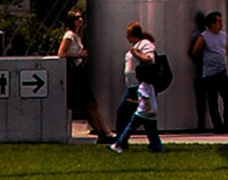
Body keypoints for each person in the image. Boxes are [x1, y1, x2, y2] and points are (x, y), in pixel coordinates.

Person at [58, 10, 115, 143]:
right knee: (90, 103)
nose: (80, 20)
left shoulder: (77, 36)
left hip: (79, 71)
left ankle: (105, 132)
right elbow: (61, 53)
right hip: (75, 73)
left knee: (91, 104)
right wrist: (80, 55)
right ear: (71, 20)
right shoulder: (69, 36)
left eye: (81, 17)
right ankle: (104, 133)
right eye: (77, 18)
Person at [191, 12, 228, 133]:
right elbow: (194, 52)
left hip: (221, 70)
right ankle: (217, 126)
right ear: (211, 24)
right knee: (212, 100)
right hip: (210, 73)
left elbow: (226, 50)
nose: (221, 24)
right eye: (218, 22)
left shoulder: (223, 35)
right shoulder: (204, 36)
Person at [108, 61, 164, 153]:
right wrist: (150, 108)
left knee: (129, 128)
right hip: (150, 113)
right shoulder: (150, 86)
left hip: (141, 113)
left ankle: (119, 144)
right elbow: (146, 99)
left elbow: (145, 99)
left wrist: (148, 108)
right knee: (152, 132)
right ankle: (157, 147)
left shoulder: (142, 86)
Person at [115, 22, 156, 137]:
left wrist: (136, 54)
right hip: (132, 85)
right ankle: (155, 143)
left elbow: (149, 60)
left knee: (123, 112)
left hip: (139, 85)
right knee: (143, 117)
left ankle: (120, 141)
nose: (126, 37)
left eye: (128, 34)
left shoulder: (145, 44)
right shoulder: (137, 45)